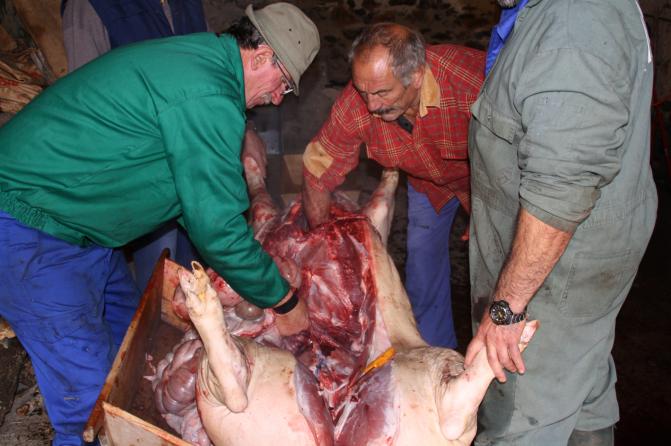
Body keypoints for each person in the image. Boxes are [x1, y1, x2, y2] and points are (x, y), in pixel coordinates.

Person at [0, 3, 319, 445]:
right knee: (90, 406)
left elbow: (196, 193)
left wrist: (236, 243)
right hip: (28, 226)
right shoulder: (207, 93)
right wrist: (284, 301)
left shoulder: (202, 63)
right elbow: (216, 229)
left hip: (83, 227)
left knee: (135, 340)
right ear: (263, 55)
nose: (278, 98)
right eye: (282, 83)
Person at [464, 0, 657, 445]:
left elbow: (561, 188)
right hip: (581, 254)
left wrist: (506, 310)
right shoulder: (554, 13)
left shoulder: (574, 20)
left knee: (520, 412)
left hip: (555, 269)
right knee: (580, 382)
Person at [302, 23, 485, 348]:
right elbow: (318, 168)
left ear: (416, 75)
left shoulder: (473, 82)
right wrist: (324, 244)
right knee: (421, 264)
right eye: (364, 92)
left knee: (495, 271)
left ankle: (500, 351)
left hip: (487, 182)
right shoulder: (356, 105)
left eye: (382, 93)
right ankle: (432, 355)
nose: (371, 105)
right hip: (428, 183)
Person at [61, 0, 208, 291]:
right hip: (139, 169)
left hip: (190, 156)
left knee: (194, 265)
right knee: (158, 270)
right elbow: (87, 105)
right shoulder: (88, 7)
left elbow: (207, 63)